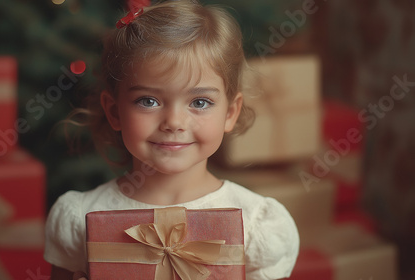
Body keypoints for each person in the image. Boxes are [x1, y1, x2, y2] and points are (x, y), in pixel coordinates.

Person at [44, 1, 299, 279]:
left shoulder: (256, 223)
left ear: (230, 113)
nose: (174, 122)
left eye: (200, 102)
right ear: (115, 111)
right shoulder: (79, 218)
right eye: (148, 100)